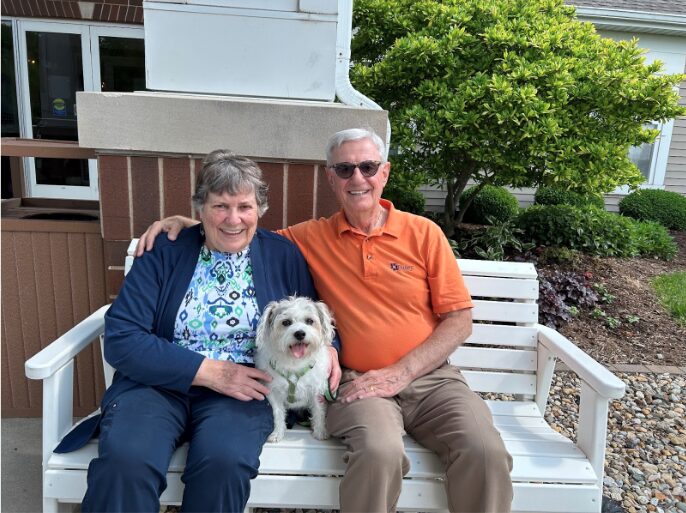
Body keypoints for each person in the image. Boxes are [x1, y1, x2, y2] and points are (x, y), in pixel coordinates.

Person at [138, 129, 513, 513]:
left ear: (384, 173)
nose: (358, 178)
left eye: (367, 167)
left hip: (431, 376)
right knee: (379, 453)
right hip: (357, 380)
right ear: (331, 178)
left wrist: (403, 371)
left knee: (484, 452)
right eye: (345, 169)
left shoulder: (424, 233)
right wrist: (190, 222)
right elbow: (238, 230)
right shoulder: (308, 238)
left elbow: (459, 320)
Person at [57, 150, 340, 513]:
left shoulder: (282, 255)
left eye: (245, 207)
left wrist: (332, 348)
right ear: (200, 208)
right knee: (127, 460)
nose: (234, 219)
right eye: (220, 206)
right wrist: (209, 371)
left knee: (224, 461)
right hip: (156, 385)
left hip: (243, 392)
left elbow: (315, 320)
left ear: (260, 210)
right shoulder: (166, 250)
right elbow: (122, 337)